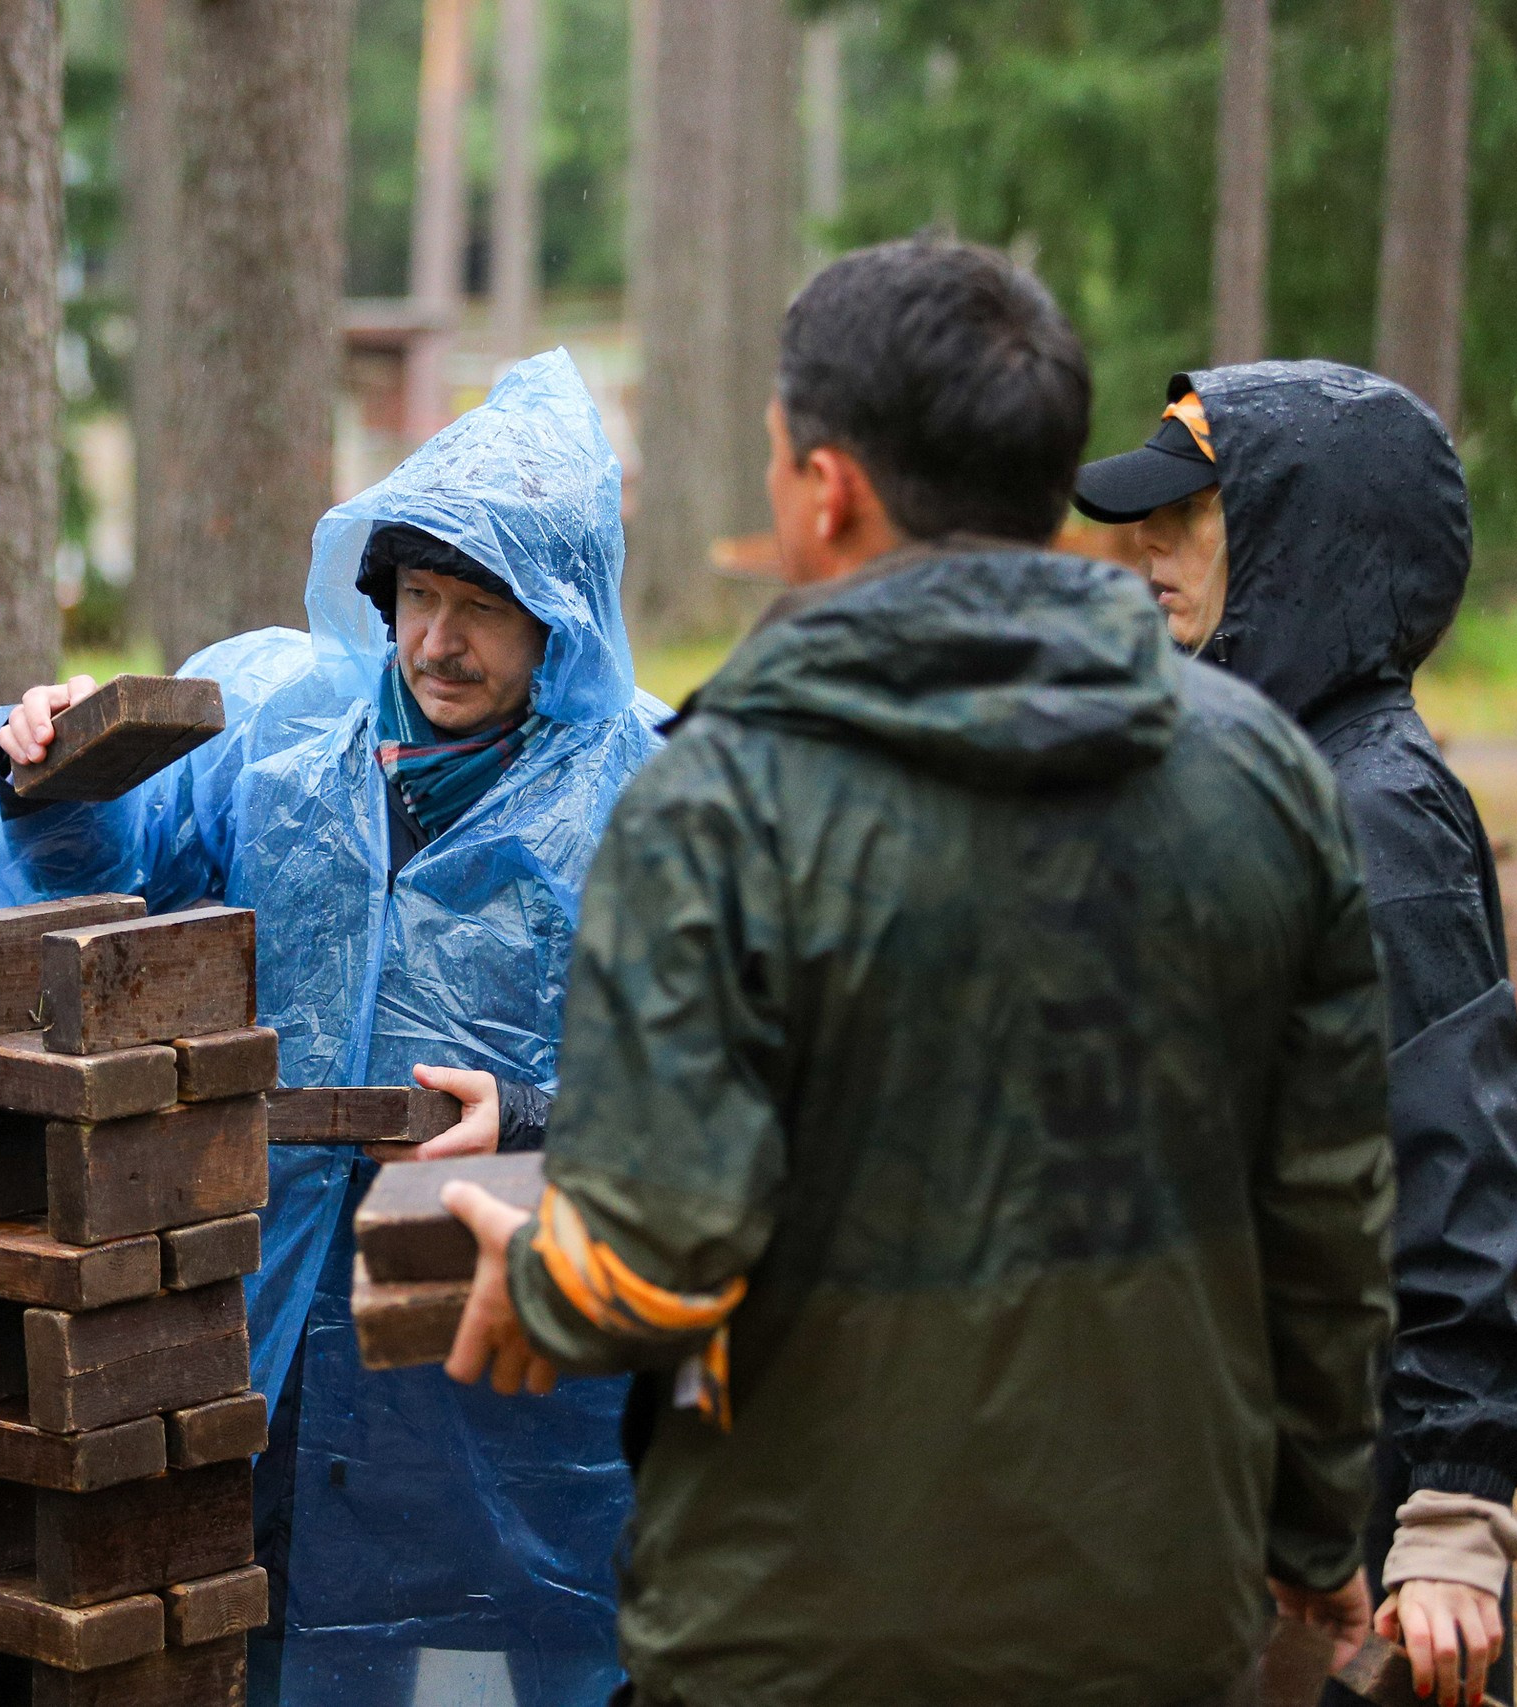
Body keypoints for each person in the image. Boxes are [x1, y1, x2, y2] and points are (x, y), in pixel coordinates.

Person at [439, 239, 1398, 1707]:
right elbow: (1325, 1219)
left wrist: (542, 1281)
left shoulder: (717, 802)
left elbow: (653, 1251)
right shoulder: (1261, 774)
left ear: (827, 490)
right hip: (1156, 1615)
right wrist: (1321, 1528)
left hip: (800, 1629)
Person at [0, 349, 663, 1703]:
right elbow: (114, 860)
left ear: (561, 615)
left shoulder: (649, 787)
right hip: (274, 1288)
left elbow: (714, 1087)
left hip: (500, 1303)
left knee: (521, 1615)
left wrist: (539, 1121)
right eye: (420, 600)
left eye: (481, 611)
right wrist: (38, 765)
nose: (438, 641)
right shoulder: (288, 724)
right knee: (289, 1613)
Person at [1074, 363, 1517, 1707]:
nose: (1148, 544)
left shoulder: (1376, 811)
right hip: (1249, 1504)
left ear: (1298, 539)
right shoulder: (1256, 782)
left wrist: (1457, 1512)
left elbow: (1457, 1163)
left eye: (1192, 511)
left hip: (1375, 1542)